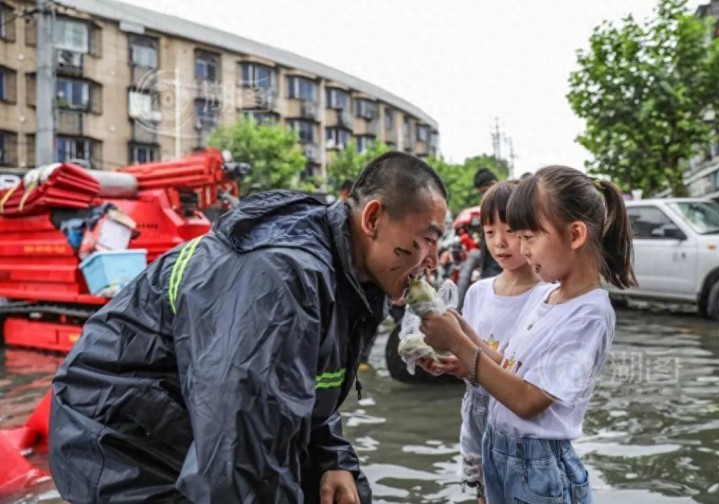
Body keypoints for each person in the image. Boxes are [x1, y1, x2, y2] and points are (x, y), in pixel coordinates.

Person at [48, 152, 448, 503]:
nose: (430, 260)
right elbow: (236, 451)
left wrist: (332, 457)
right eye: (425, 241)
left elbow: (307, 385)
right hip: (124, 436)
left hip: (193, 422)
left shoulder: (352, 279)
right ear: (373, 218)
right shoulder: (280, 278)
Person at [420, 166, 637, 504]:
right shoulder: (544, 296)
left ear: (575, 235)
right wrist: (457, 327)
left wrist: (458, 343)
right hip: (498, 448)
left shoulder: (589, 313)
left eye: (528, 237)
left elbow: (527, 400)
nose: (523, 249)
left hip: (538, 466)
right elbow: (509, 366)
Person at [422, 180, 540, 502]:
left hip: (521, 437)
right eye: (490, 233)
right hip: (477, 426)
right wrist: (455, 366)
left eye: (511, 231)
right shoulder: (477, 292)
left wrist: (464, 350)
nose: (500, 243)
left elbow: (528, 382)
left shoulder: (545, 297)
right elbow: (473, 364)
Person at [457, 168, 501, 309]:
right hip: (488, 266)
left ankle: (456, 308)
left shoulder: (501, 204)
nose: (483, 197)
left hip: (496, 268)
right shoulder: (489, 205)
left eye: (483, 192)